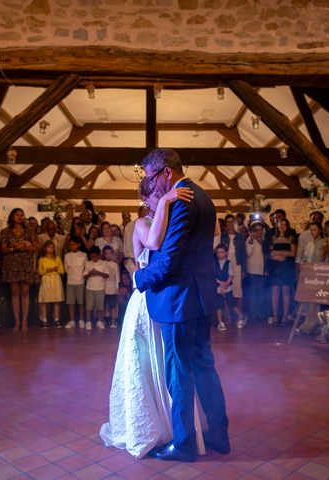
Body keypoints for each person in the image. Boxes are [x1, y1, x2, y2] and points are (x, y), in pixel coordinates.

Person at [133, 148, 230, 462]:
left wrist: (139, 278)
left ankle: (185, 443)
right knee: (204, 367)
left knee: (179, 373)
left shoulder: (183, 202)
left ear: (166, 172)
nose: (151, 185)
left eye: (151, 177)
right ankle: (219, 435)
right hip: (200, 298)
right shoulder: (204, 196)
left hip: (179, 301)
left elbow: (169, 260)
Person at [100, 175, 197, 458]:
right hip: (145, 299)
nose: (163, 195)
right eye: (157, 194)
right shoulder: (143, 224)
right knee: (144, 361)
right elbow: (155, 244)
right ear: (146, 200)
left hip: (165, 298)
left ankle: (171, 423)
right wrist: (168, 201)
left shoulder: (168, 217)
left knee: (167, 359)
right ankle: (149, 423)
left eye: (163, 192)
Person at [0, 208, 39, 333]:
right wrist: (13, 248)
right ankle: (17, 321)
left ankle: (25, 321)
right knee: (15, 291)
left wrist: (25, 247)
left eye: (22, 215)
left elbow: (35, 247)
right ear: (12, 216)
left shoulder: (30, 231)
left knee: (25, 291)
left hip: (25, 263)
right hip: (11, 263)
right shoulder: (5, 232)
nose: (20, 217)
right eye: (17, 214)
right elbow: (3, 249)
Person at [268, 218, 297, 327]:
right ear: (277, 225)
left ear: (287, 226)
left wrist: (278, 253)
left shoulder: (291, 238)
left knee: (285, 290)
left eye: (285, 224)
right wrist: (281, 255)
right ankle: (275, 316)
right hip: (275, 267)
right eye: (280, 224)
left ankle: (285, 316)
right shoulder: (273, 238)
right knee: (274, 291)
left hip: (287, 267)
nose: (282, 226)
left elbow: (292, 253)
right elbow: (270, 253)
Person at [37, 240, 65, 328]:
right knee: (44, 301)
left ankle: (56, 319)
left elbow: (62, 270)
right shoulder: (42, 259)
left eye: (52, 247)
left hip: (56, 279)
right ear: (45, 248)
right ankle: (44, 319)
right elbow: (40, 271)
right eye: (49, 247)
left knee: (56, 300)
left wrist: (56, 269)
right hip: (46, 280)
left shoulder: (57, 259)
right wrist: (47, 270)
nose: (50, 249)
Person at [245, 221, 268, 324]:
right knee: (253, 295)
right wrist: (251, 240)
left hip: (262, 272)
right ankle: (253, 317)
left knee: (261, 295)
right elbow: (248, 253)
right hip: (253, 271)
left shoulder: (264, 240)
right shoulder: (250, 240)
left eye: (261, 230)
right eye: (257, 230)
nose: (259, 232)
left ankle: (259, 315)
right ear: (253, 231)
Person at [83, 245, 108, 330]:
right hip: (89, 288)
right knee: (89, 306)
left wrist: (98, 273)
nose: (94, 258)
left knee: (100, 307)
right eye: (92, 256)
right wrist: (90, 273)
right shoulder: (88, 263)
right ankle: (88, 322)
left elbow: (107, 275)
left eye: (96, 256)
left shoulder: (104, 263)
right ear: (90, 256)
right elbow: (85, 276)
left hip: (100, 287)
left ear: (99, 255)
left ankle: (99, 321)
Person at [64, 236, 87, 329]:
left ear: (79, 245)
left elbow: (86, 267)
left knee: (81, 301)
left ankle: (81, 320)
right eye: (70, 244)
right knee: (71, 302)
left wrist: (82, 277)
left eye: (74, 244)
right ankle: (72, 320)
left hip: (80, 280)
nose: (72, 246)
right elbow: (66, 268)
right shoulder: (67, 256)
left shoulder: (83, 255)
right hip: (70, 280)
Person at [213, 244, 234, 331]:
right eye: (217, 252)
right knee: (219, 305)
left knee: (232, 303)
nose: (219, 254)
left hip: (228, 287)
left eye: (221, 252)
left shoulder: (229, 263)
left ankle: (242, 317)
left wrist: (226, 284)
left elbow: (231, 275)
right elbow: (213, 276)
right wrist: (220, 282)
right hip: (218, 287)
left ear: (225, 253)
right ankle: (221, 322)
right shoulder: (214, 263)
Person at [102, 245, 120, 328]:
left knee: (113, 305)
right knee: (104, 305)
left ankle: (114, 320)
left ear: (112, 254)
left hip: (112, 288)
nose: (108, 255)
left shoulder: (114, 264)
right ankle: (104, 320)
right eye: (106, 253)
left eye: (110, 253)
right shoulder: (101, 263)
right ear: (103, 254)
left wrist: (117, 288)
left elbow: (117, 277)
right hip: (102, 288)